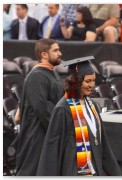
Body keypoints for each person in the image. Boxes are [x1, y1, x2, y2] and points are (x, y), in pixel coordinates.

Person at [37, 57, 121, 176]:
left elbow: (103, 144)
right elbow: (52, 149)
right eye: (87, 81)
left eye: (93, 80)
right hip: (74, 171)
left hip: (94, 169)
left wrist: (115, 173)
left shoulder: (93, 106)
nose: (91, 85)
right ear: (76, 82)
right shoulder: (63, 109)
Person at [15, 39, 64, 175]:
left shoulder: (52, 73)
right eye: (55, 50)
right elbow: (41, 108)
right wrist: (58, 129)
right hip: (37, 135)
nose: (60, 53)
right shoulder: (37, 76)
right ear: (44, 54)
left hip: (48, 132)